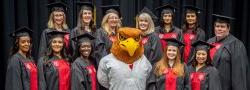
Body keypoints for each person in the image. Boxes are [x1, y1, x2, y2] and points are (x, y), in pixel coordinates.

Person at [207, 14, 250, 90]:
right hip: (209, 85)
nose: (219, 29)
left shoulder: (236, 45)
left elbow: (239, 74)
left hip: (225, 86)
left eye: (222, 27)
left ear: (228, 28)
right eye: (217, 26)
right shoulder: (210, 42)